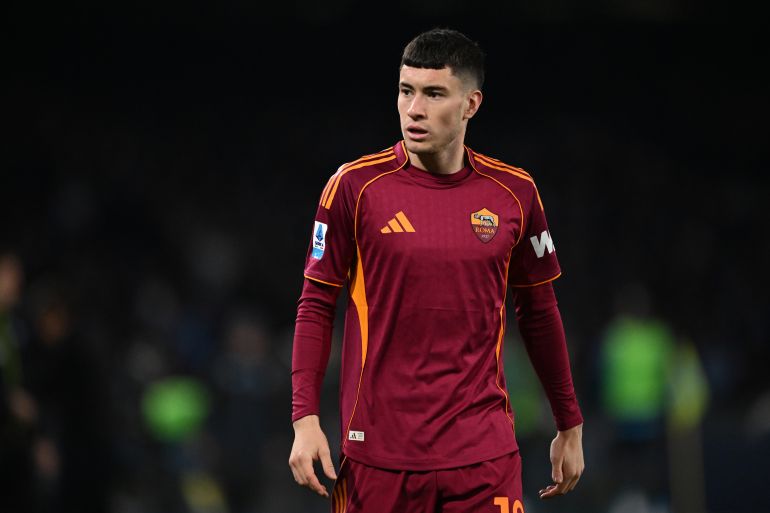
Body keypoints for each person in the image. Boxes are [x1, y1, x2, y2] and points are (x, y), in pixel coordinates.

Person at [289, 28, 584, 512]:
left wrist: (569, 424)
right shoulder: (354, 187)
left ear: (471, 104)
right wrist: (305, 419)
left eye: (433, 94)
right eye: (406, 91)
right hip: (377, 458)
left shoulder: (515, 193)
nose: (413, 109)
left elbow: (540, 311)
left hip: (483, 457)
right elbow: (317, 303)